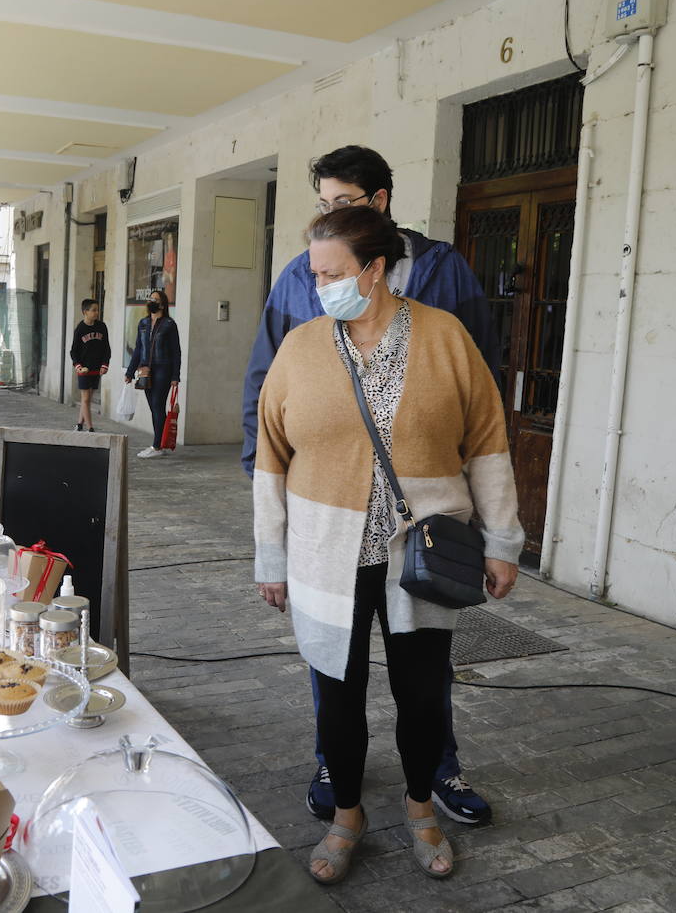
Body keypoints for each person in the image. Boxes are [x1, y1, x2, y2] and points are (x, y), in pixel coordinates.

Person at [254, 207, 522, 884]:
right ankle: (348, 816)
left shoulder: (445, 338)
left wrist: (503, 543)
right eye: (316, 274)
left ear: (375, 270)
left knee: (423, 695)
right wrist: (271, 556)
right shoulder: (302, 347)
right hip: (324, 551)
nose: (322, 286)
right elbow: (270, 460)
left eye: (334, 272)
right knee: (337, 698)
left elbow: (488, 443)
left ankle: (420, 807)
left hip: (423, 553)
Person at [124, 289, 181, 458]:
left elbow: (176, 352)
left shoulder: (169, 324)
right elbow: (138, 349)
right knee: (154, 408)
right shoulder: (143, 323)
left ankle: (157, 446)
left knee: (157, 406)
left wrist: (175, 376)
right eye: (150, 298)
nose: (151, 301)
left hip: (163, 369)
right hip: (145, 370)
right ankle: (160, 443)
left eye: (155, 299)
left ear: (162, 304)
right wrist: (130, 371)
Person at [70, 299, 111, 432]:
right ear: (85, 312)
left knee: (87, 399)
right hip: (83, 370)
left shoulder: (102, 327)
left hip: (96, 369)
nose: (96, 312)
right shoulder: (80, 329)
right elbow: (73, 351)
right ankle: (90, 428)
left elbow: (106, 348)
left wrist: (105, 364)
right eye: (93, 310)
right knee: (86, 398)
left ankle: (79, 424)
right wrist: (78, 366)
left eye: (97, 310)